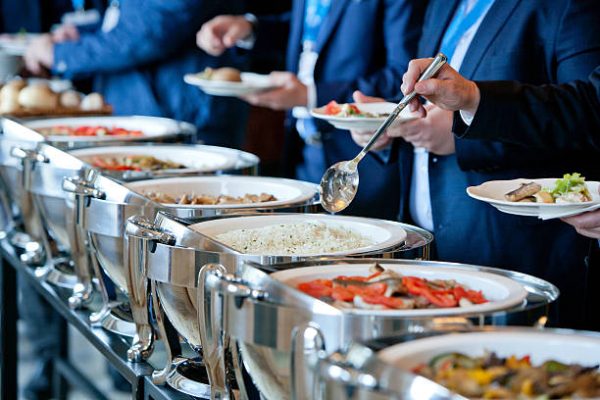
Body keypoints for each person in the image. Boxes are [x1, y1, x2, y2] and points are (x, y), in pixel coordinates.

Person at [350, 0, 600, 330]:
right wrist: (384, 127)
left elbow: (585, 121)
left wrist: (467, 123)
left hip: (514, 261)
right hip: (424, 246)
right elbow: (425, 100)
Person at [196, 1, 427, 219]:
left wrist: (312, 95)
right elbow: (309, 33)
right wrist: (249, 29)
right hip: (301, 151)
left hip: (363, 162)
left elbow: (403, 74)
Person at [24, 0, 249, 148]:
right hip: (145, 112)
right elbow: (129, 17)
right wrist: (78, 35)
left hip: (182, 117)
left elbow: (153, 30)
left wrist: (60, 54)